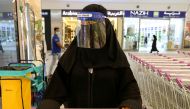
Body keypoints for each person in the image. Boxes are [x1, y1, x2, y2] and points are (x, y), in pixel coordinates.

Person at [38, 4, 142, 109]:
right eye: (86, 27)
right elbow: (53, 93)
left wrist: (129, 105)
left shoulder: (116, 59)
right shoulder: (71, 58)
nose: (92, 33)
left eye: (96, 28)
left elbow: (131, 93)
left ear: (107, 29)